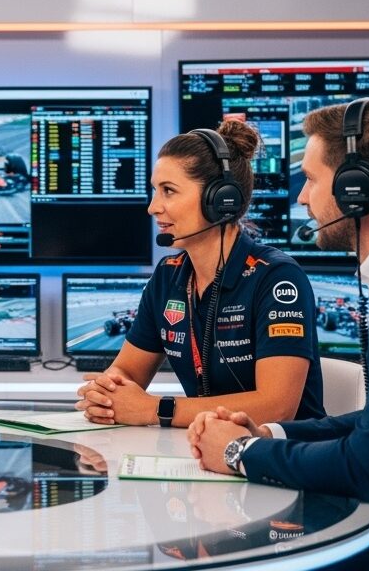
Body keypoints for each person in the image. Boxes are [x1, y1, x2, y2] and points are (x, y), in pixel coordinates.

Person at [189, 99, 369, 571]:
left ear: (357, 189)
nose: (302, 197)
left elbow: (368, 465)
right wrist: (269, 432)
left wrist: (240, 452)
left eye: (313, 179)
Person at [76, 120, 324, 428]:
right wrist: (106, 394)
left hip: (285, 464)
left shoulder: (277, 278)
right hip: (206, 452)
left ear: (220, 200)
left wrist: (156, 410)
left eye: (168, 191)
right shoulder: (167, 278)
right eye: (155, 190)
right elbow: (126, 373)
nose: (153, 207)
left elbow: (276, 406)